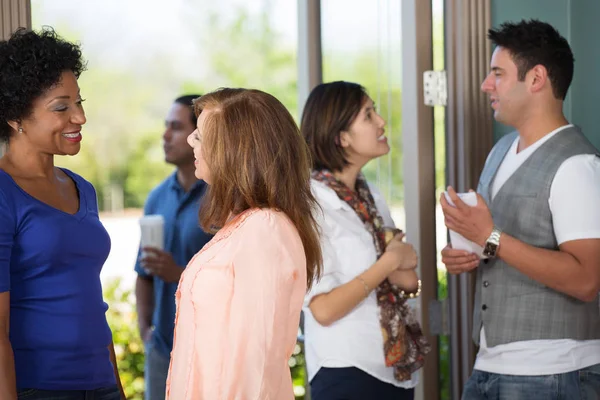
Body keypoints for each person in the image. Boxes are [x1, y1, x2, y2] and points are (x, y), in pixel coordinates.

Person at [440, 19, 600, 399]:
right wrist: (465, 254)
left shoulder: (577, 165)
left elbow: (587, 280)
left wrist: (489, 237)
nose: (486, 85)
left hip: (555, 373)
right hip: (489, 367)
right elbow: (491, 245)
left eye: (498, 73)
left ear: (537, 78)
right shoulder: (500, 152)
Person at [165, 88, 323, 399]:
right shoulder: (246, 226)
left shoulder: (265, 229)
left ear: (236, 148)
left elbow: (255, 363)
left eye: (200, 134)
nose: (190, 140)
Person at [0, 28, 125, 399]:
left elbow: (92, 303)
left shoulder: (81, 187)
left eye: (79, 102)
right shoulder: (4, 193)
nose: (80, 117)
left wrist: (116, 388)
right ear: (15, 116)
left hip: (101, 384)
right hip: (38, 388)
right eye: (61, 107)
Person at [300, 81, 430, 400]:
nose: (382, 122)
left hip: (392, 369)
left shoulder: (369, 195)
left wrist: (396, 263)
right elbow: (324, 310)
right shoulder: (311, 203)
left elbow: (409, 280)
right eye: (368, 115)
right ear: (341, 137)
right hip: (345, 370)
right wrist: (388, 261)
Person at [134, 95, 212, 400]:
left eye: (176, 127)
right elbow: (143, 272)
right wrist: (145, 332)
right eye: (166, 126)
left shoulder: (222, 199)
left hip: (206, 349)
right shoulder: (156, 197)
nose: (165, 135)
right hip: (162, 349)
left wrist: (177, 273)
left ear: (199, 135)